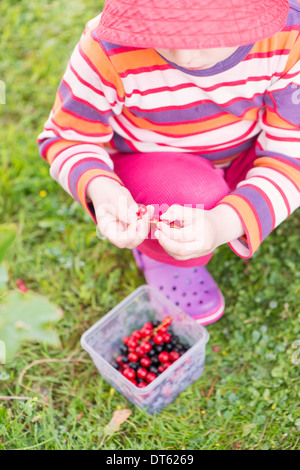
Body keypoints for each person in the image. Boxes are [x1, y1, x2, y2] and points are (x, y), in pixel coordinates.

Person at [37, 0, 300, 325]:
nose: (185, 55)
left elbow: (290, 155)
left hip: (245, 151)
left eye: (208, 34)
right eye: (164, 31)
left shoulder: (289, 38)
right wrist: (103, 190)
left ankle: (228, 207)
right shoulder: (107, 50)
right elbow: (67, 137)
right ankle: (166, 259)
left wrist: (221, 224)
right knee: (195, 196)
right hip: (154, 163)